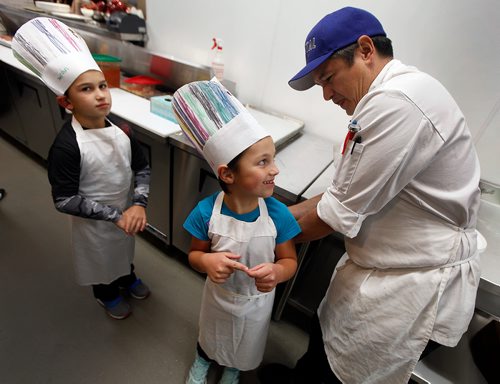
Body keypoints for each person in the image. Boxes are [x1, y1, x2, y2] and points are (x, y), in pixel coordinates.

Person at [259, 6, 481, 384]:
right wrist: (271, 217)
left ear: (365, 50)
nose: (327, 95)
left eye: (329, 79)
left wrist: (256, 231)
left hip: (408, 285)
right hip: (379, 267)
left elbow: (331, 216)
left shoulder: (397, 102)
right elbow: (338, 195)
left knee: (341, 372)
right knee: (325, 333)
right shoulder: (389, 97)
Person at [12, 17, 151, 320]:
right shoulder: (66, 147)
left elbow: (142, 168)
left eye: (102, 85)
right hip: (95, 224)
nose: (101, 94)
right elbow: (64, 199)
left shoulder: (124, 130)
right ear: (67, 101)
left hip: (126, 214)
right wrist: (114, 215)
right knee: (101, 260)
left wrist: (138, 204)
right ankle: (106, 293)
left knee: (123, 253)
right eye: (87, 89)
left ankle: (127, 278)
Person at [172, 80, 301, 384]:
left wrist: (277, 272)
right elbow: (194, 254)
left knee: (246, 342)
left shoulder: (278, 215)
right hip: (218, 298)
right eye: (263, 162)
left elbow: (289, 262)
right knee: (211, 336)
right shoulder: (206, 212)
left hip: (256, 303)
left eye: (273, 158)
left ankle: (233, 368)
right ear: (228, 174)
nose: (275, 169)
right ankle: (203, 360)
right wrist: (206, 263)